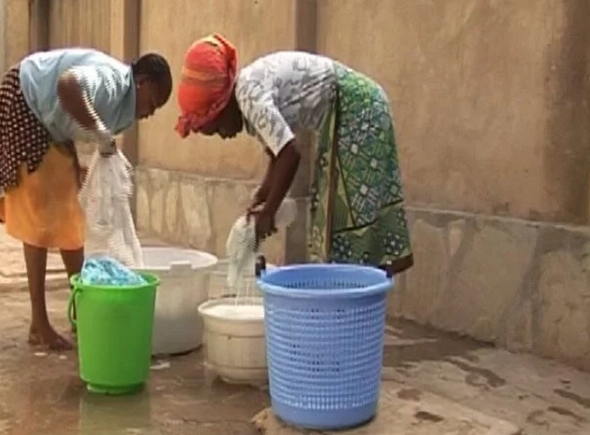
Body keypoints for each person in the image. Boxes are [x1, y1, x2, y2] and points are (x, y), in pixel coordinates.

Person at [176, 34, 413, 275]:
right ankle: (372, 277)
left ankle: (359, 286)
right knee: (333, 212)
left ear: (223, 104)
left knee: (340, 215)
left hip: (356, 111)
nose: (224, 135)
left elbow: (290, 154)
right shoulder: (249, 98)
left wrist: (269, 212)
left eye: (217, 127)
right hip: (357, 107)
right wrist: (260, 199)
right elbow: (276, 155)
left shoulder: (248, 97)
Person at [0, 48, 173, 350]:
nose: (150, 112)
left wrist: (82, 160)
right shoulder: (113, 81)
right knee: (41, 215)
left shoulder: (124, 109)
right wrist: (99, 132)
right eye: (152, 102)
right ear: (142, 81)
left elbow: (75, 116)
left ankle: (84, 311)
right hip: (24, 96)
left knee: (71, 215)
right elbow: (68, 86)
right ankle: (39, 324)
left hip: (48, 120)